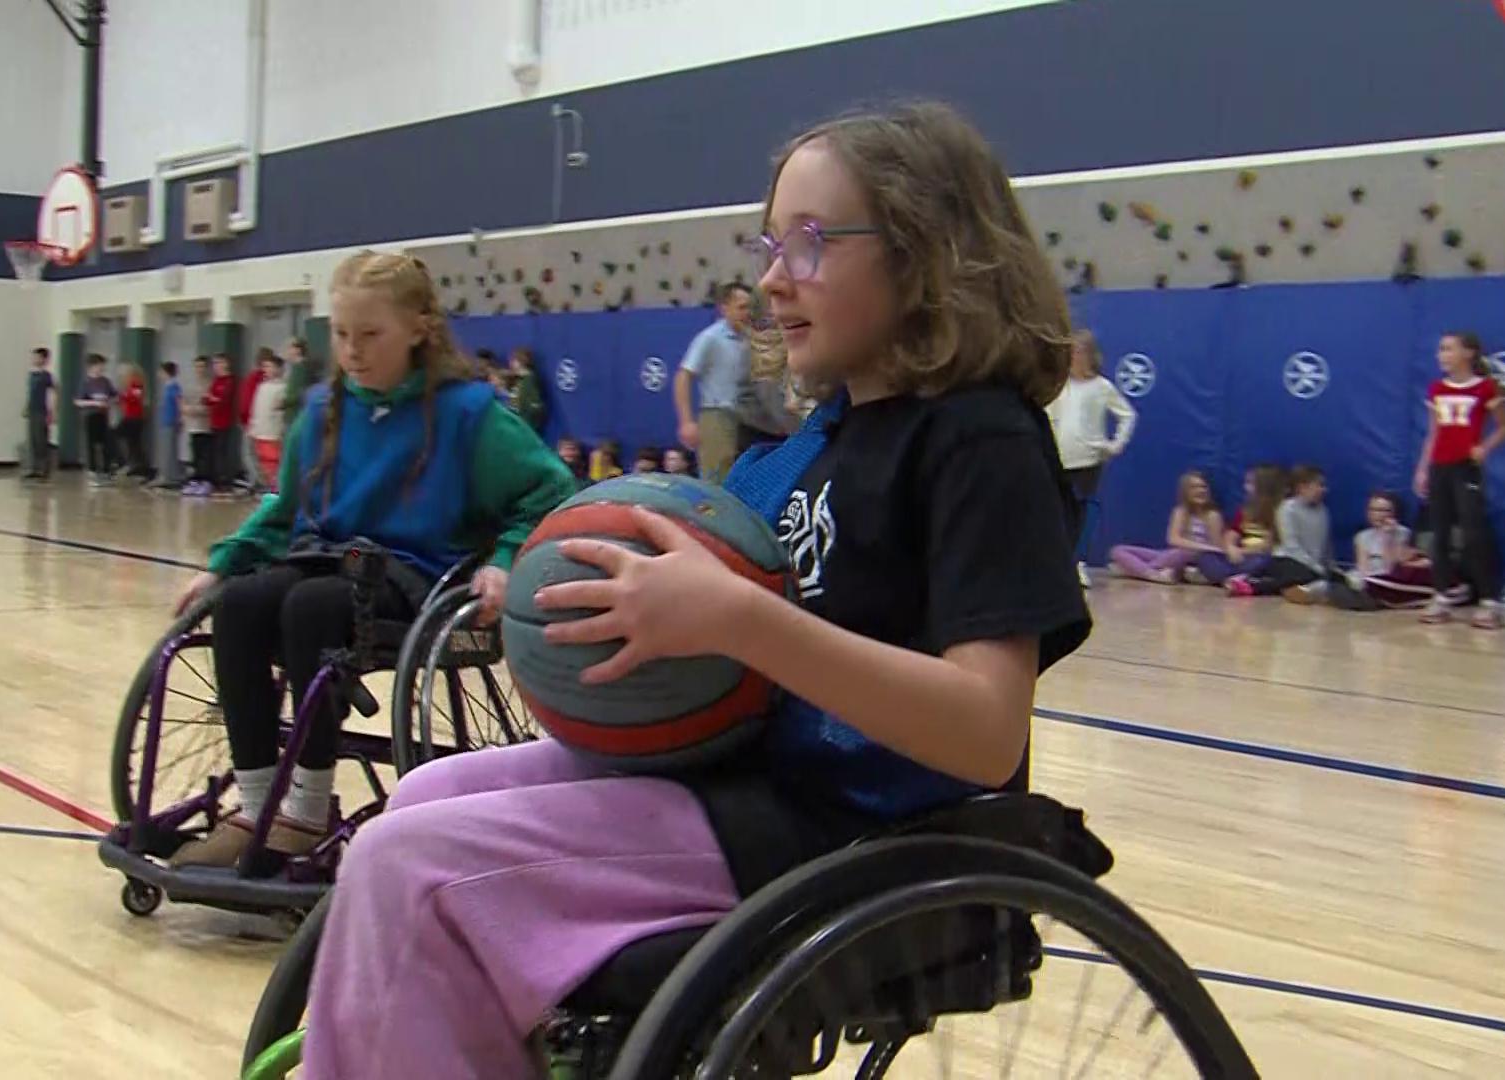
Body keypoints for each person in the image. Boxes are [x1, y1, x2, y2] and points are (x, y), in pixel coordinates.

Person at [298, 102, 1090, 1079]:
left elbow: (986, 732)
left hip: (853, 828)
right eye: (772, 245)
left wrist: (741, 619)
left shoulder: (980, 439)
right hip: (741, 785)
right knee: (421, 796)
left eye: (810, 242)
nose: (772, 278)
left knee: (409, 867)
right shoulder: (806, 448)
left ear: (925, 252)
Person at [165, 251, 576, 867]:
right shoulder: (324, 411)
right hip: (326, 558)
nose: (352, 351)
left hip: (415, 576)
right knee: (242, 603)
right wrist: (223, 564)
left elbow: (550, 491)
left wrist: (507, 558)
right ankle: (255, 805)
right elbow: (283, 509)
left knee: (311, 608)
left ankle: (305, 813)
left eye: (369, 335)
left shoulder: (468, 414)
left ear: (418, 329)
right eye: (340, 335)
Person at [1415, 331, 1505, 628]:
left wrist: (1485, 447)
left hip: (1466, 468)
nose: (1441, 355)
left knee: (1473, 532)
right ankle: (1441, 596)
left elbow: (1504, 426)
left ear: (1468, 353)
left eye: (1448, 349)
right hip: (1439, 467)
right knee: (1440, 534)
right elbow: (1434, 433)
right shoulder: (1437, 388)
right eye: (1440, 350)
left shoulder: (1485, 388)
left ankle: (1489, 601)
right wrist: (1423, 469)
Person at [1046, 330, 1137, 587]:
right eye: (1071, 351)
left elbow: (1127, 415)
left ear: (1090, 355)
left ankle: (1078, 563)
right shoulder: (1059, 386)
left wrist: (1115, 445)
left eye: (1079, 351)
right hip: (1058, 458)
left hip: (1088, 460)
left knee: (1083, 514)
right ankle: (1056, 564)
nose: (1074, 356)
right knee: (1057, 512)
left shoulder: (1101, 387)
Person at [674, 282, 755, 482]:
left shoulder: (751, 338)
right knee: (717, 479)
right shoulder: (710, 338)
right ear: (724, 308)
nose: (747, 313)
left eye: (750, 307)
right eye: (742, 307)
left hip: (749, 418)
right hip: (718, 415)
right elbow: (683, 376)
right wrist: (686, 422)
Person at [1226, 465, 1334, 602]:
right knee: (1302, 574)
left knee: (1326, 578)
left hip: (1310, 565)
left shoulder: (1323, 511)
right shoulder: (1287, 508)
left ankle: (1299, 590)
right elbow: (1291, 546)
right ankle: (1251, 584)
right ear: (1303, 487)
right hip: (1289, 560)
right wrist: (1315, 567)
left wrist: (1328, 566)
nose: (1323, 490)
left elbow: (1325, 543)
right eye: (1319, 485)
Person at [1107, 471, 1221, 583]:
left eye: (1203, 487)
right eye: (1194, 487)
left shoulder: (1212, 515)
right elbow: (1173, 539)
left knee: (1181, 553)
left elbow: (1215, 547)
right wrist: (1194, 546)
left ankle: (1133, 570)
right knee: (1117, 550)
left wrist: (1199, 548)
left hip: (1192, 559)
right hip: (1171, 555)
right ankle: (1153, 574)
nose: (1200, 490)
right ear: (1186, 492)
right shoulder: (1180, 511)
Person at [1193, 464, 1284, 585]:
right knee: (1206, 557)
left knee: (1265, 561)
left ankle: (1233, 578)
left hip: (1257, 555)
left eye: (1250, 483)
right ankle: (1234, 578)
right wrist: (1231, 548)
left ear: (1264, 486)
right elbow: (1232, 534)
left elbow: (1268, 545)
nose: (1245, 487)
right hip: (1239, 557)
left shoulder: (1278, 511)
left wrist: (1242, 551)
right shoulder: (1246, 510)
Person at [248, 351, 287, 493]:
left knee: (274, 461)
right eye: (265, 366)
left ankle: (278, 488)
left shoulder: (284, 387)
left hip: (273, 432)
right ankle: (269, 487)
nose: (266, 370)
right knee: (263, 461)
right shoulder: (262, 386)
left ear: (278, 368)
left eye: (269, 366)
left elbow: (282, 410)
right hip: (260, 431)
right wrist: (253, 427)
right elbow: (256, 408)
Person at [76, 354, 116, 486]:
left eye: (102, 366)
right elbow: (78, 401)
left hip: (103, 416)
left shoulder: (105, 382)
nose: (101, 368)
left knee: (105, 444)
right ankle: (92, 471)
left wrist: (109, 402)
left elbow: (115, 396)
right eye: (99, 365)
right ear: (92, 366)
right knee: (91, 444)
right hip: (90, 416)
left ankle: (106, 471)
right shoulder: (85, 383)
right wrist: (94, 403)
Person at [19, 347, 55, 480]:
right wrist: (26, 407)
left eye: (37, 357)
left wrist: (52, 411)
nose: (34, 359)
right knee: (32, 440)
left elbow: (54, 393)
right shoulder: (31, 375)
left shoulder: (46, 376)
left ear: (44, 359)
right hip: (32, 410)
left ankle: (43, 469)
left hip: (42, 410)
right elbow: (31, 393)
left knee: (41, 440)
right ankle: (32, 468)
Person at [206, 353, 240, 495]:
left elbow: (224, 401)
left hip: (225, 421)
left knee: (223, 451)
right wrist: (213, 399)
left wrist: (214, 399)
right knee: (215, 452)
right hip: (214, 420)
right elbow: (207, 399)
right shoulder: (216, 380)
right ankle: (216, 479)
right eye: (214, 364)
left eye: (219, 363)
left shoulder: (230, 381)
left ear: (226, 364)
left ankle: (225, 480)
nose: (216, 366)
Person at [183, 355, 213, 496]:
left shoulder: (210, 384)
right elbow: (184, 401)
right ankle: (195, 481)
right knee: (195, 454)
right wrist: (186, 409)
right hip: (193, 426)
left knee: (205, 456)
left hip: (206, 426)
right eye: (197, 366)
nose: (199, 369)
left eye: (202, 366)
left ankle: (206, 482)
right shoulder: (190, 384)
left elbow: (210, 406)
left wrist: (196, 410)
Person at [156, 360, 184, 489]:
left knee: (170, 450)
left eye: (161, 371)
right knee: (166, 449)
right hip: (166, 421)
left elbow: (179, 403)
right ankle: (166, 475)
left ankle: (171, 477)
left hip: (171, 422)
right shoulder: (167, 386)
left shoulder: (174, 386)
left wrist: (180, 418)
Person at [117, 362, 148, 480]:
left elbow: (135, 397)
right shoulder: (128, 385)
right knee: (133, 443)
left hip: (135, 417)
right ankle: (134, 465)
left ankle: (138, 466)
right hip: (129, 416)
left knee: (134, 443)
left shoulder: (137, 384)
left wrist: (124, 395)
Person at [506, 347, 547, 433]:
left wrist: (527, 425)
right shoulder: (519, 380)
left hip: (524, 429)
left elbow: (536, 407)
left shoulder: (529, 381)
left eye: (513, 360)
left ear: (521, 362)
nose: (510, 364)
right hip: (516, 426)